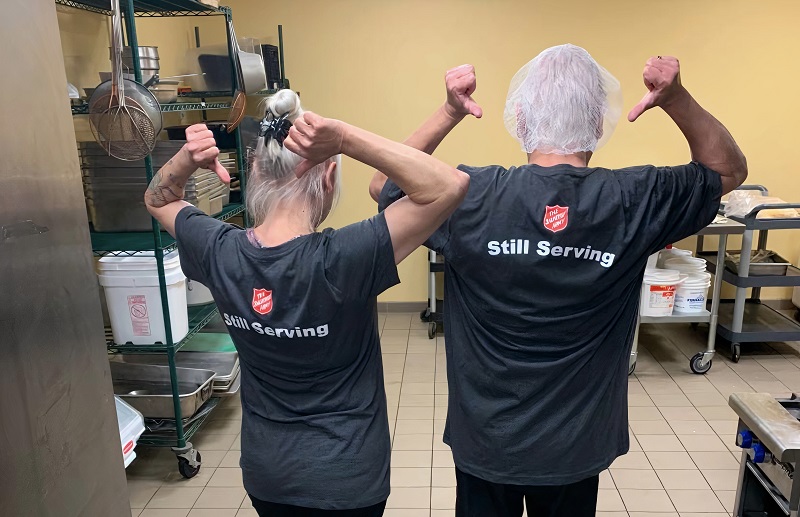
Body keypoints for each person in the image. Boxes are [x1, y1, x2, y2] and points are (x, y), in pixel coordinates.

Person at [371, 45, 747, 517]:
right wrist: (676, 99)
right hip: (576, 446)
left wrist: (450, 111)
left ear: (521, 119)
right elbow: (728, 170)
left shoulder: (469, 193)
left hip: (487, 440)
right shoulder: (633, 198)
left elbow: (383, 183)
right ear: (597, 122)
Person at [144, 89, 469, 516]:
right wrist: (345, 139)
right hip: (349, 479)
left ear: (255, 171)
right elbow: (447, 185)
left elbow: (158, 198)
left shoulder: (220, 250)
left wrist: (188, 158)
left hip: (269, 476)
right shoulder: (346, 257)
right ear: (329, 178)